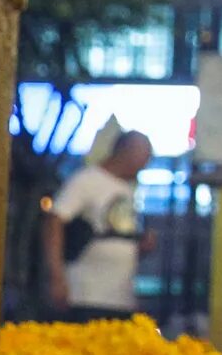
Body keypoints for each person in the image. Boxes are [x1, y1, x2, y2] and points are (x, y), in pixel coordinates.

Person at [48, 131, 152, 319]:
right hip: (86, 295)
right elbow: (54, 222)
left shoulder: (127, 189)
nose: (144, 166)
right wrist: (57, 277)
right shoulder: (86, 181)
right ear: (126, 152)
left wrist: (141, 248)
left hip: (120, 298)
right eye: (143, 158)